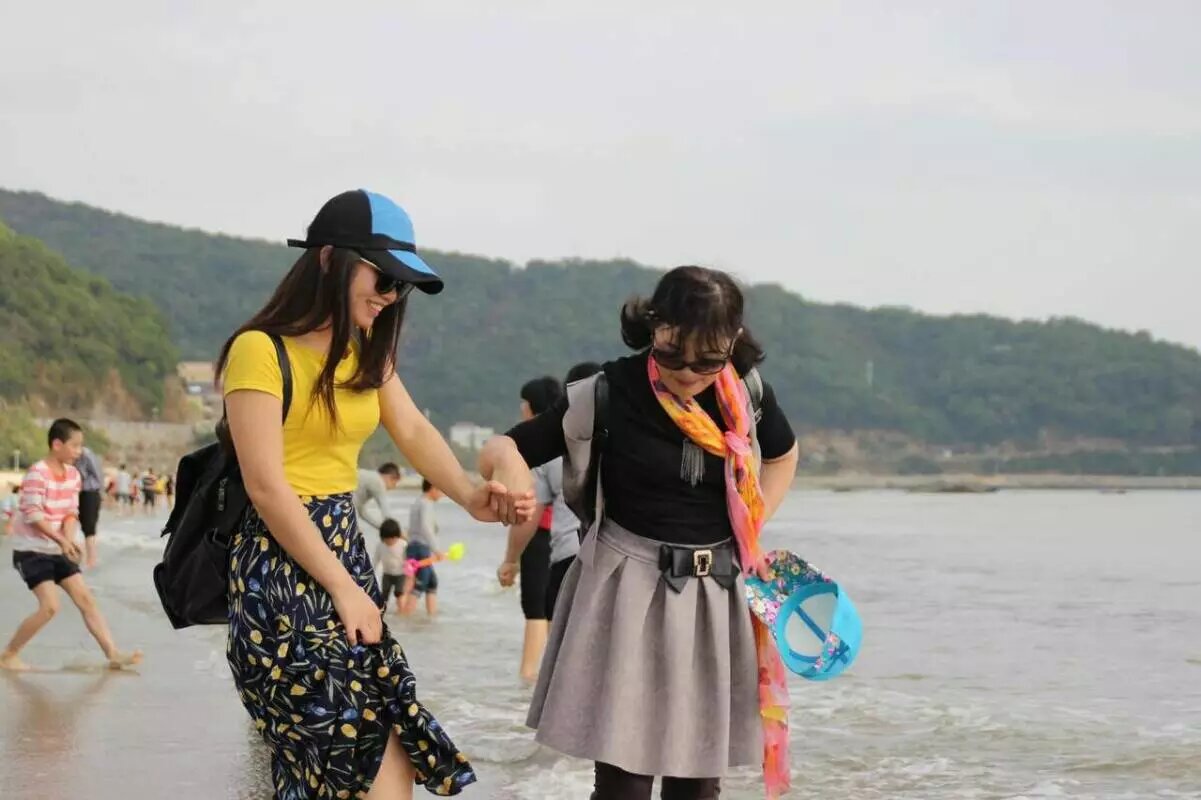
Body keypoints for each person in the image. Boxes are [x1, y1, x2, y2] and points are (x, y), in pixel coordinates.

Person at [216, 188, 533, 799]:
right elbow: (266, 486)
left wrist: (471, 495)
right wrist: (342, 588)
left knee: (356, 765)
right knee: (370, 764)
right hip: (276, 570)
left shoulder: (364, 354)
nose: (390, 295)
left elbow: (412, 429)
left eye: (400, 286)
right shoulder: (260, 350)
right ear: (328, 259)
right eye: (381, 277)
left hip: (343, 551)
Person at [480, 266, 801, 800]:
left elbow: (784, 455)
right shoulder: (608, 391)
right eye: (673, 354)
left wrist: (752, 526)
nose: (689, 372)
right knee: (623, 783)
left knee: (697, 783)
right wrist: (510, 472)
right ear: (653, 325)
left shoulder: (746, 392)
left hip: (714, 593)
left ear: (733, 341)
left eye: (707, 359)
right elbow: (504, 446)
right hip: (626, 588)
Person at [0, 418, 143, 672]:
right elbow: (34, 515)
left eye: (81, 446)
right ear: (57, 445)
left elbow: (69, 512)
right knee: (50, 607)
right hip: (31, 551)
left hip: (56, 549)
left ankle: (113, 654)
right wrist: (63, 541)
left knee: (86, 599)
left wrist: (69, 541)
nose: (79, 452)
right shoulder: (37, 473)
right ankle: (9, 654)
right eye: (75, 446)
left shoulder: (74, 475)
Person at [498, 363, 602, 679]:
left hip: (566, 553)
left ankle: (528, 686)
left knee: (561, 654)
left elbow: (528, 515)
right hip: (617, 559)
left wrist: (510, 559)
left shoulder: (544, 451)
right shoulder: (623, 443)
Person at [495, 375, 562, 683]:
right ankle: (550, 673)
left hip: (542, 535)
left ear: (531, 406)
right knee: (556, 606)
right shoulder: (574, 436)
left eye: (524, 402)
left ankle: (528, 675)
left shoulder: (537, 446)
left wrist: (510, 559)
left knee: (535, 605)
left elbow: (529, 509)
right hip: (574, 540)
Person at [402, 479, 443, 617]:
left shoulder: (418, 502)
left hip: (415, 547)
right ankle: (405, 616)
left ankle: (431, 618)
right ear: (433, 487)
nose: (442, 494)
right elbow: (426, 527)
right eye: (441, 490)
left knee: (432, 582)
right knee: (420, 584)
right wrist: (436, 549)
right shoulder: (426, 503)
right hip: (420, 548)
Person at [355, 462, 402, 539]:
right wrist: (398, 533)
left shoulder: (369, 477)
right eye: (395, 483)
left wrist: (380, 527)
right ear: (390, 477)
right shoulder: (378, 481)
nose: (394, 487)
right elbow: (387, 515)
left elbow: (361, 512)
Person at [75, 444, 104, 569]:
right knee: (84, 526)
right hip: (81, 492)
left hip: (90, 492)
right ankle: (88, 558)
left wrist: (101, 492)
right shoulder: (79, 456)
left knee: (89, 527)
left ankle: (91, 559)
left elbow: (97, 474)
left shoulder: (86, 455)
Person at [373, 518, 408, 614]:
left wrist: (410, 571)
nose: (390, 541)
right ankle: (382, 612)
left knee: (399, 593)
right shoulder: (380, 546)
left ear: (397, 536)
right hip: (387, 574)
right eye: (387, 539)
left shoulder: (403, 545)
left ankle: (401, 611)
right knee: (384, 595)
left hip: (401, 574)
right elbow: (376, 560)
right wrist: (372, 571)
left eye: (393, 539)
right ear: (382, 537)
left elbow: (408, 560)